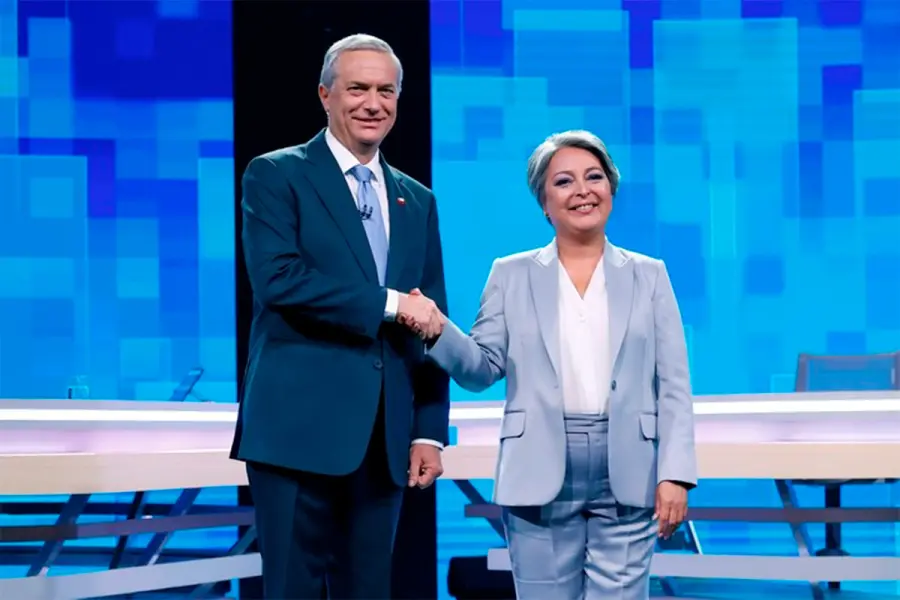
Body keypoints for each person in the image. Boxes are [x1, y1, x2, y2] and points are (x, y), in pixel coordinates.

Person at [416, 130, 698, 599]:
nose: (583, 190)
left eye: (594, 177)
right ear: (544, 202)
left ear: (612, 188)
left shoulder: (650, 275)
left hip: (629, 469)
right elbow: (482, 369)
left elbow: (673, 384)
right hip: (538, 466)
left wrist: (676, 473)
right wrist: (437, 331)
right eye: (564, 181)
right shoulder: (510, 274)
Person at [230, 33, 449, 599]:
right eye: (357, 89)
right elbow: (279, 280)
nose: (373, 103)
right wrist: (391, 304)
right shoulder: (276, 174)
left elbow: (431, 321)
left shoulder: (417, 200)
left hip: (383, 440)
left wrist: (429, 431)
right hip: (296, 433)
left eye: (386, 91)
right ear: (325, 95)